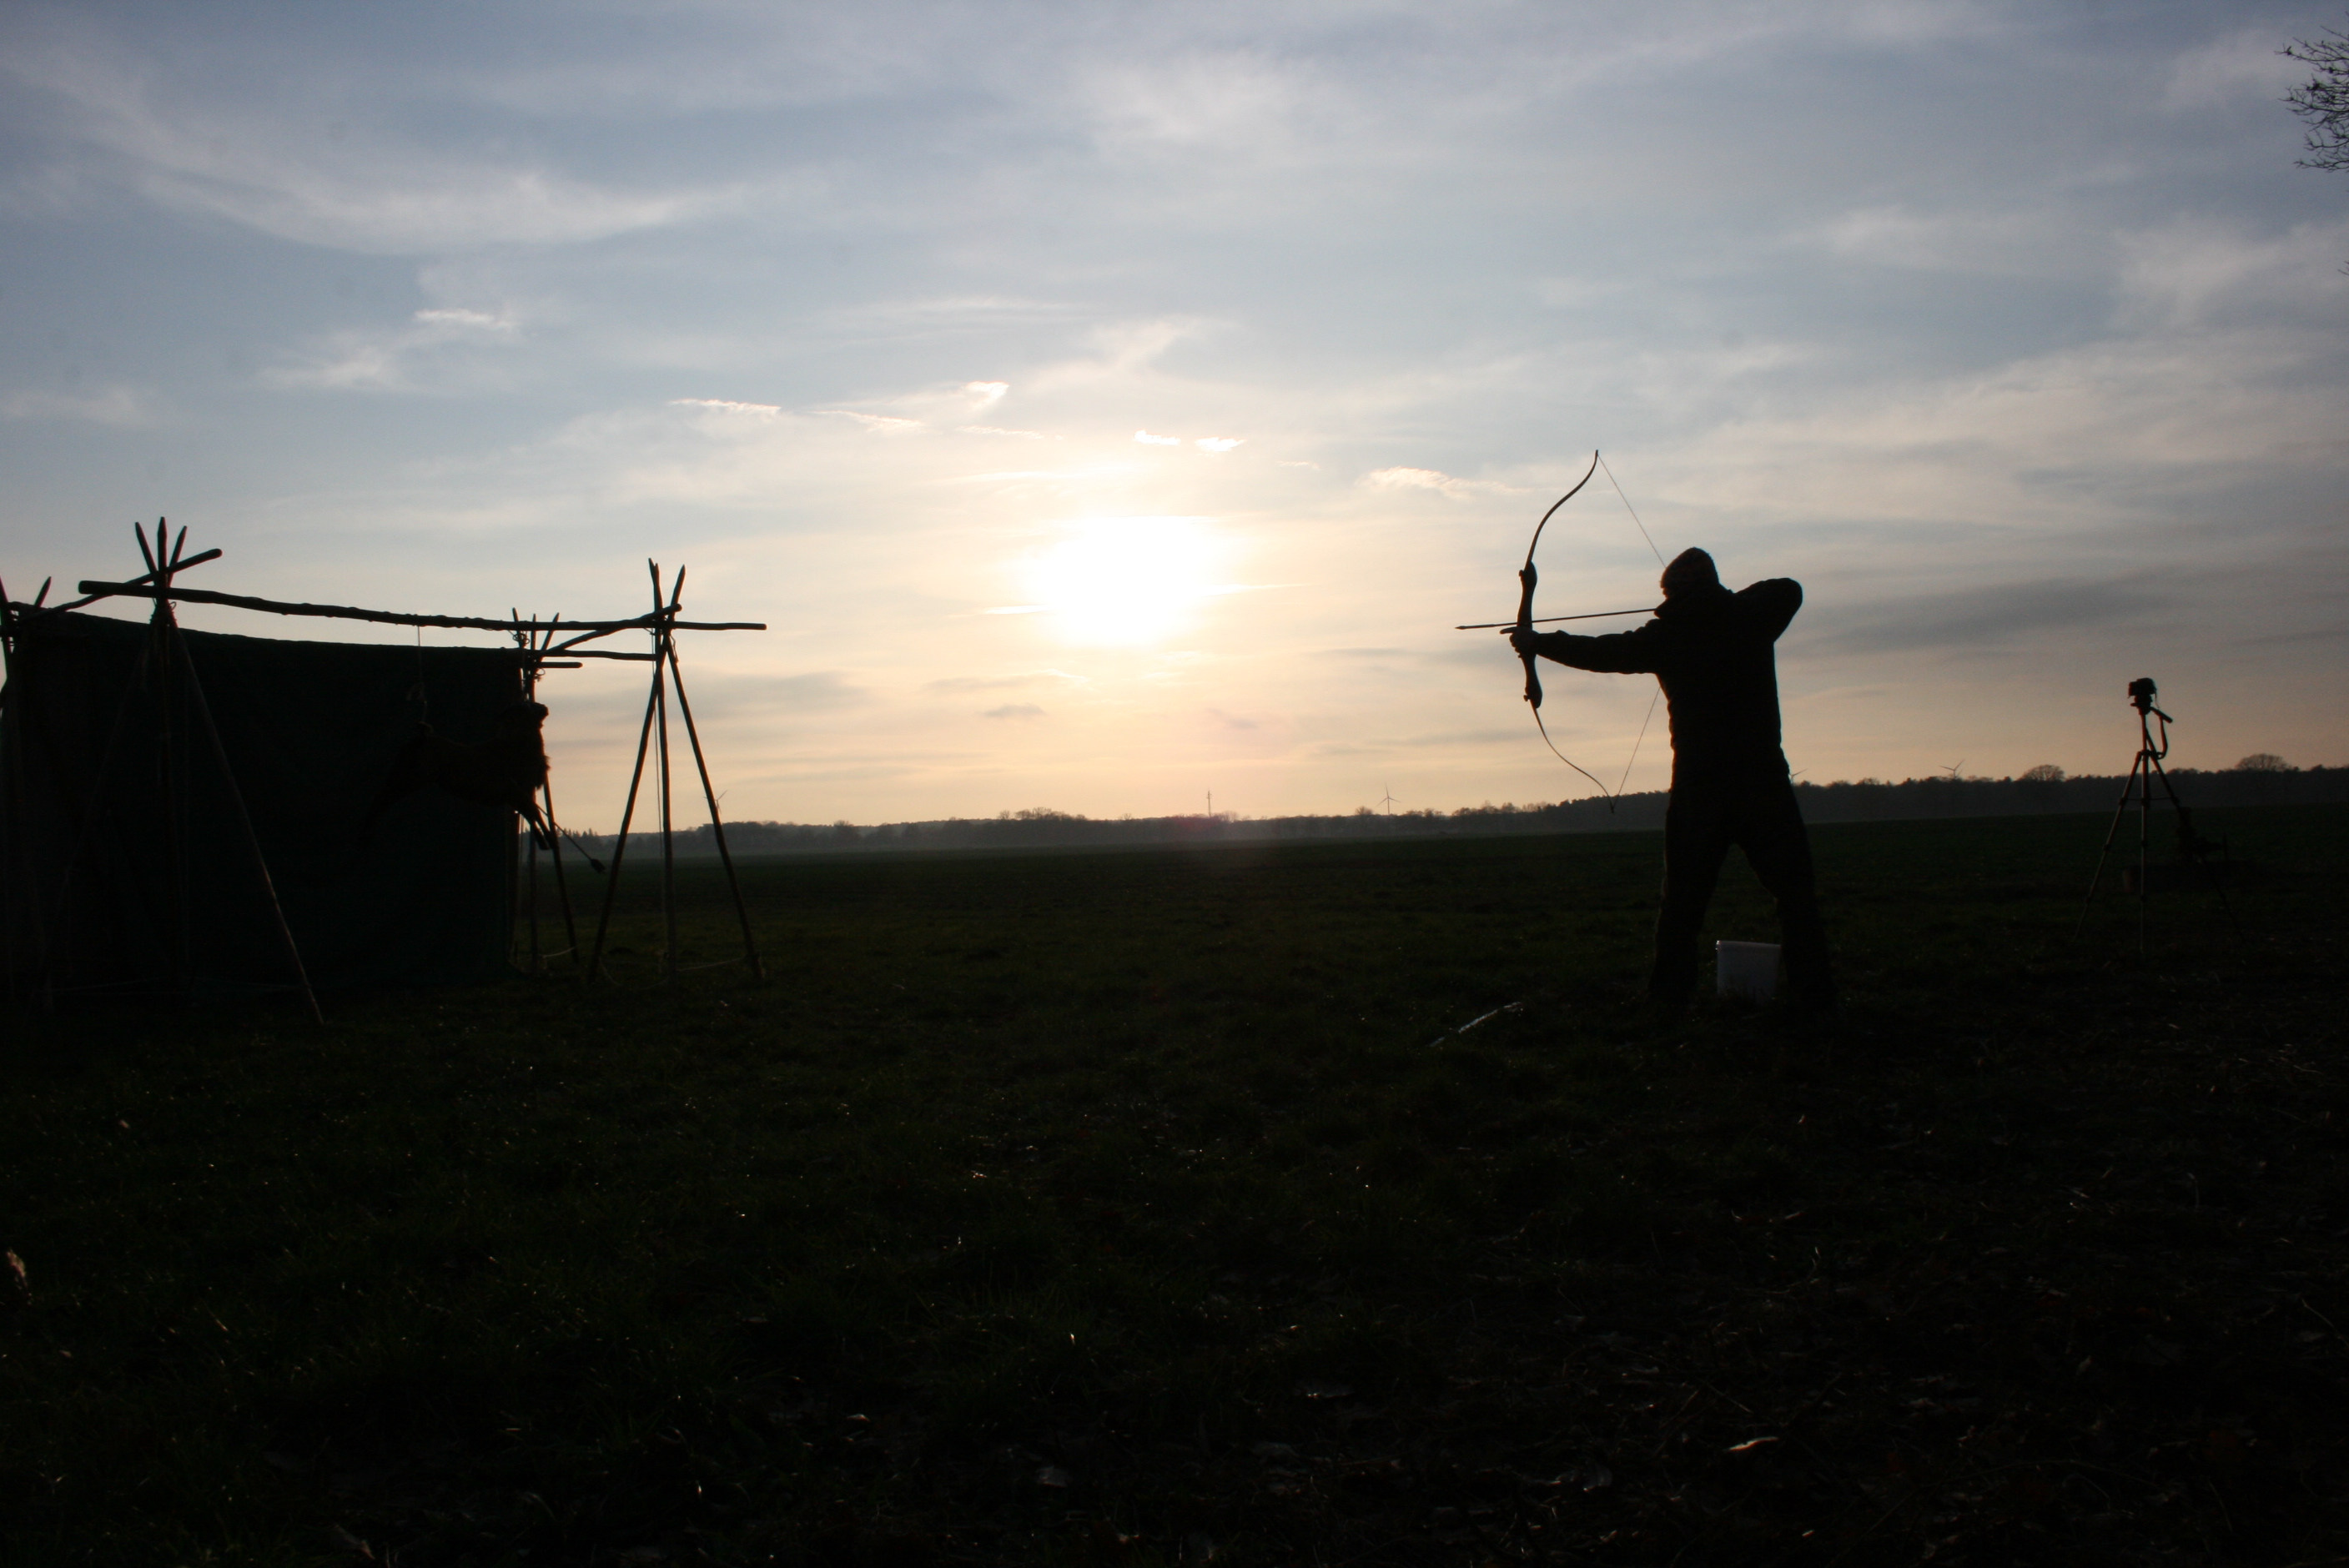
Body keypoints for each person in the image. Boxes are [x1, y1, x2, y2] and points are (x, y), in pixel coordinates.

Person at [1510, 547, 1836, 1014]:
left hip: (1700, 786)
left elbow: (1603, 652)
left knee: (1682, 903)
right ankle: (1817, 1000)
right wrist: (1716, 600)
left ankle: (1668, 1000)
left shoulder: (1667, 636)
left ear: (1674, 594)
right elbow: (1788, 589)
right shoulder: (1752, 616)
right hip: (1763, 780)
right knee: (1796, 896)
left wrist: (1539, 643)